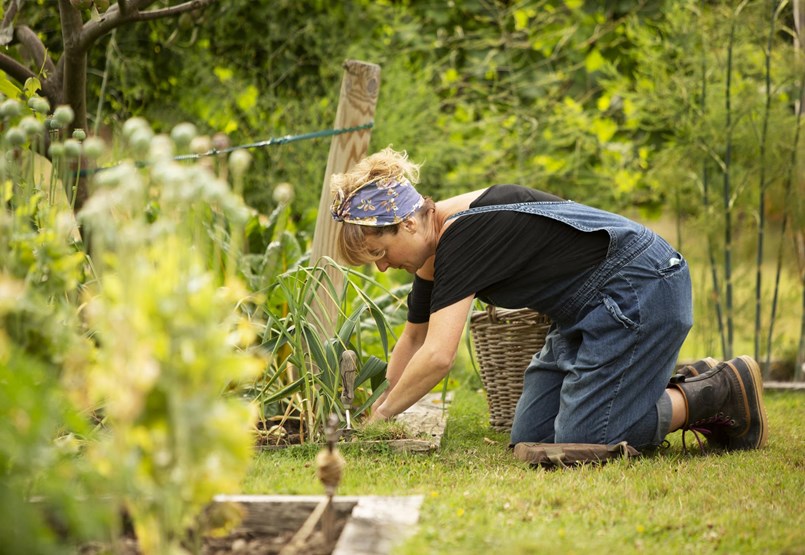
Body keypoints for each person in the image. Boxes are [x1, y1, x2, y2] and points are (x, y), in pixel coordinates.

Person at [329, 147, 768, 452]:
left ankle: (719, 391)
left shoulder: (460, 235)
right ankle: (670, 382)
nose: (383, 268)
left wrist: (384, 415)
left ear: (406, 223)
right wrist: (375, 410)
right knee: (531, 438)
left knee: (585, 439)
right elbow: (413, 341)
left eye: (381, 254)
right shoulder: (433, 243)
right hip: (585, 312)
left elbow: (439, 356)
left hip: (640, 288)